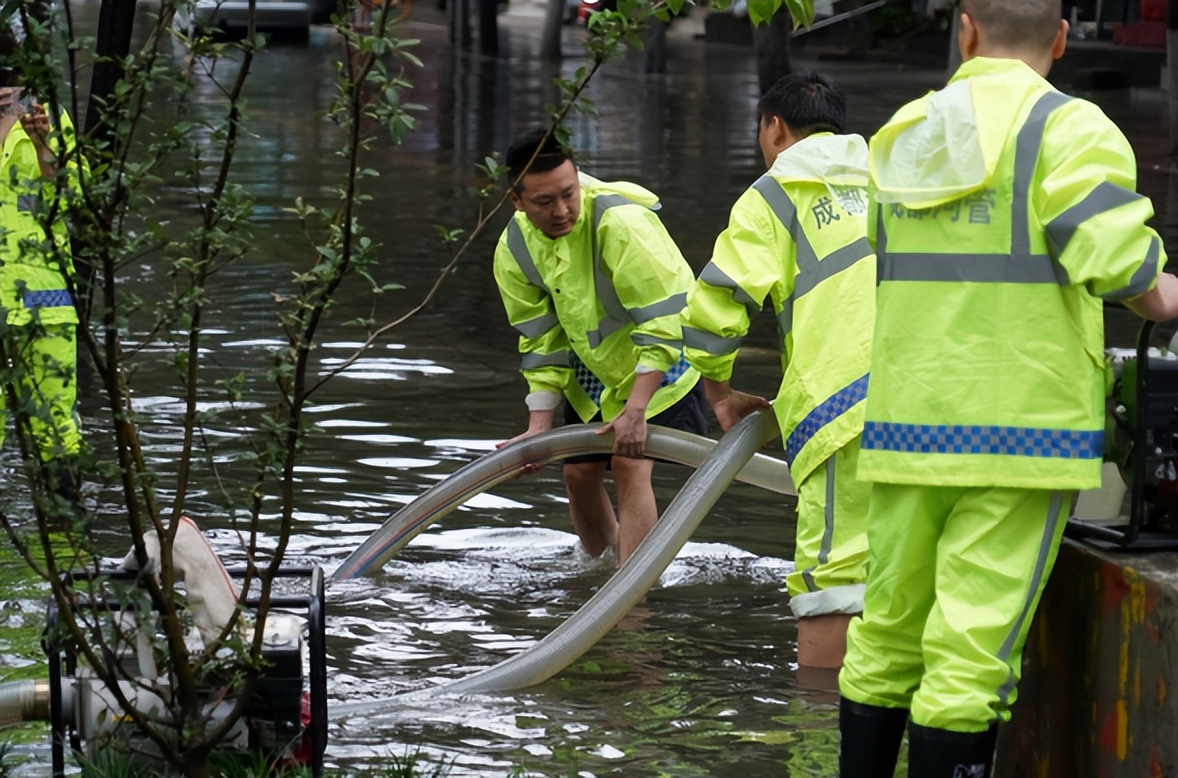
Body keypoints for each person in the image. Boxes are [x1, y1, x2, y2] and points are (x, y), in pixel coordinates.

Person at [837, 1, 1178, 776]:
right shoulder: (1070, 128)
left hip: (905, 423)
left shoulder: (905, 131)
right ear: (1060, 39)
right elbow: (1129, 274)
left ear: (965, 29)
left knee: (885, 637)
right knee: (967, 659)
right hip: (1020, 433)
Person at [679, 71, 873, 672]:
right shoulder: (899, 178)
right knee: (913, 574)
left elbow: (716, 306)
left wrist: (719, 393)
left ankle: (818, 741)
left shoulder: (776, 190)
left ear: (773, 127)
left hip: (847, 411)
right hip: (940, 399)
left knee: (832, 581)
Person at [492, 128, 707, 566]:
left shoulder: (619, 223)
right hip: (593, 378)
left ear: (578, 179)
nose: (561, 210)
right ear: (517, 200)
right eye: (543, 202)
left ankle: (633, 603)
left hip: (663, 360)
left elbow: (664, 322)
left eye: (568, 194)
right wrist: (539, 425)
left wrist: (637, 409)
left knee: (630, 464)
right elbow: (540, 341)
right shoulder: (514, 247)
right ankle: (599, 576)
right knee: (578, 472)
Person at [0, 74, 83, 509]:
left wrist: (43, 146)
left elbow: (73, 198)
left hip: (43, 296)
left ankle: (64, 550)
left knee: (54, 427)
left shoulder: (45, 116)